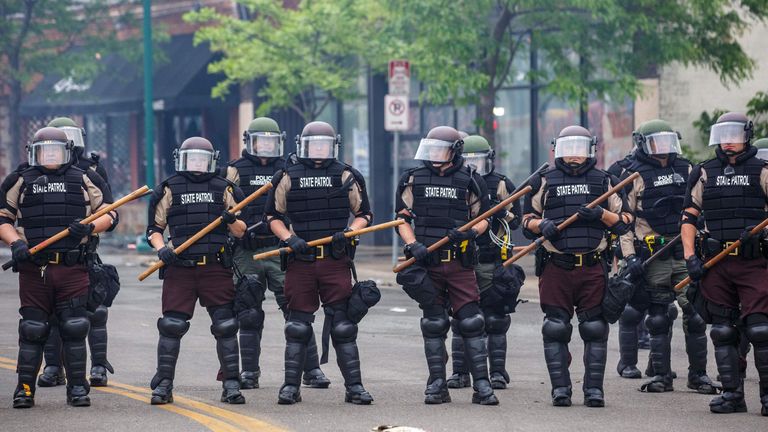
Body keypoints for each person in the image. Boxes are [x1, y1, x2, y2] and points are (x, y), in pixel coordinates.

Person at [1, 127, 117, 408]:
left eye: (55, 150)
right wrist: (15, 243)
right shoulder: (20, 179)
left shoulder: (86, 177)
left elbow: (111, 214)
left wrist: (88, 227)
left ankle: (78, 389)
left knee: (75, 327)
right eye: (44, 151)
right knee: (32, 329)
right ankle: (24, 389)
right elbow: (3, 218)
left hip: (73, 267)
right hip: (34, 269)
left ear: (67, 151)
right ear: (34, 152)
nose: (50, 155)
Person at [264, 121, 374, 405]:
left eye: (324, 145)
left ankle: (355, 387)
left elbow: (364, 214)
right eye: (313, 145)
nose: (319, 150)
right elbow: (273, 216)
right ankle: (291, 387)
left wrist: (349, 233)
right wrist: (289, 239)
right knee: (298, 326)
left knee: (343, 326)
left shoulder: (346, 175)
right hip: (300, 259)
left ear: (333, 145)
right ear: (302, 145)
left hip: (334, 260)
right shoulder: (287, 175)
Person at [522, 125, 632, 407]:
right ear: (557, 149)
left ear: (590, 150)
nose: (574, 156)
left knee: (595, 328)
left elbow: (624, 222)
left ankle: (594, 390)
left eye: (579, 150)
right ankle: (560, 389)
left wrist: (601, 214)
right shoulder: (544, 181)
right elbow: (525, 221)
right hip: (556, 266)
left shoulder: (605, 181)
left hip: (592, 266)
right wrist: (541, 224)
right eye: (568, 149)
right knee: (555, 328)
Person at [395, 126, 499, 405]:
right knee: (434, 323)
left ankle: (482, 386)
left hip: (459, 263)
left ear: (455, 151)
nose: (433, 154)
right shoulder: (412, 178)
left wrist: (469, 233)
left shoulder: (471, 180)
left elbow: (485, 218)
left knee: (472, 321)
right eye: (430, 148)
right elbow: (402, 218)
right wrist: (411, 244)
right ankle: (437, 385)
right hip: (426, 261)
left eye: (440, 149)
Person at [224, 117, 329, 390]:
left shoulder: (288, 169)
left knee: (297, 309)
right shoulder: (235, 171)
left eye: (272, 142)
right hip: (247, 250)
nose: (267, 147)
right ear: (250, 141)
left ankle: (312, 369)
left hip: (281, 247)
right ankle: (249, 372)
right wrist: (235, 229)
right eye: (262, 141)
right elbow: (225, 206)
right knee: (248, 311)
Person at [146, 137, 247, 405]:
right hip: (180, 268)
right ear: (181, 158)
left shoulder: (225, 189)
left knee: (226, 325)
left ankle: (232, 384)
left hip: (215, 266)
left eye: (202, 159)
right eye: (192, 158)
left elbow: (241, 231)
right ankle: (164, 384)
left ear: (212, 160)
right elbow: (154, 230)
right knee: (172, 326)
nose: (197, 164)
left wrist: (231, 219)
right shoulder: (168, 188)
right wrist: (161, 250)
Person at [617, 119, 716, 393]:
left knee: (695, 314)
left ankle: (698, 375)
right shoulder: (632, 176)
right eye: (655, 143)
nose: (662, 149)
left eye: (666, 141)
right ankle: (661, 376)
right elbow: (626, 221)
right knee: (658, 317)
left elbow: (698, 210)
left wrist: (701, 249)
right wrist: (629, 257)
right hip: (652, 256)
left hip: (684, 253)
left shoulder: (687, 169)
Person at [681, 112, 768, 415]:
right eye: (723, 134)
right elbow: (689, 218)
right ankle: (733, 395)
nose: (728, 140)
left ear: (746, 134)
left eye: (734, 134)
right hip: (716, 263)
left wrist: (762, 231)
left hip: (754, 262)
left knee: (760, 330)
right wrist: (690, 256)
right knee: (722, 331)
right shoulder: (704, 172)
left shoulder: (763, 170)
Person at [37, 117, 117, 388]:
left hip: (84, 252)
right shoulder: (36, 172)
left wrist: (90, 228)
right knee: (51, 314)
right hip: (48, 256)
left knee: (95, 311)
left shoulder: (91, 170)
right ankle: (53, 367)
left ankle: (98, 366)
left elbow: (109, 212)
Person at [446, 135, 522, 390]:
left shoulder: (501, 184)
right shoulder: (454, 182)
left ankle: (498, 372)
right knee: (462, 319)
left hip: (494, 260)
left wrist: (501, 211)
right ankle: (460, 373)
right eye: (469, 161)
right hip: (463, 259)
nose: (474, 167)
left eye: (478, 160)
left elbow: (517, 220)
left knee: (496, 319)